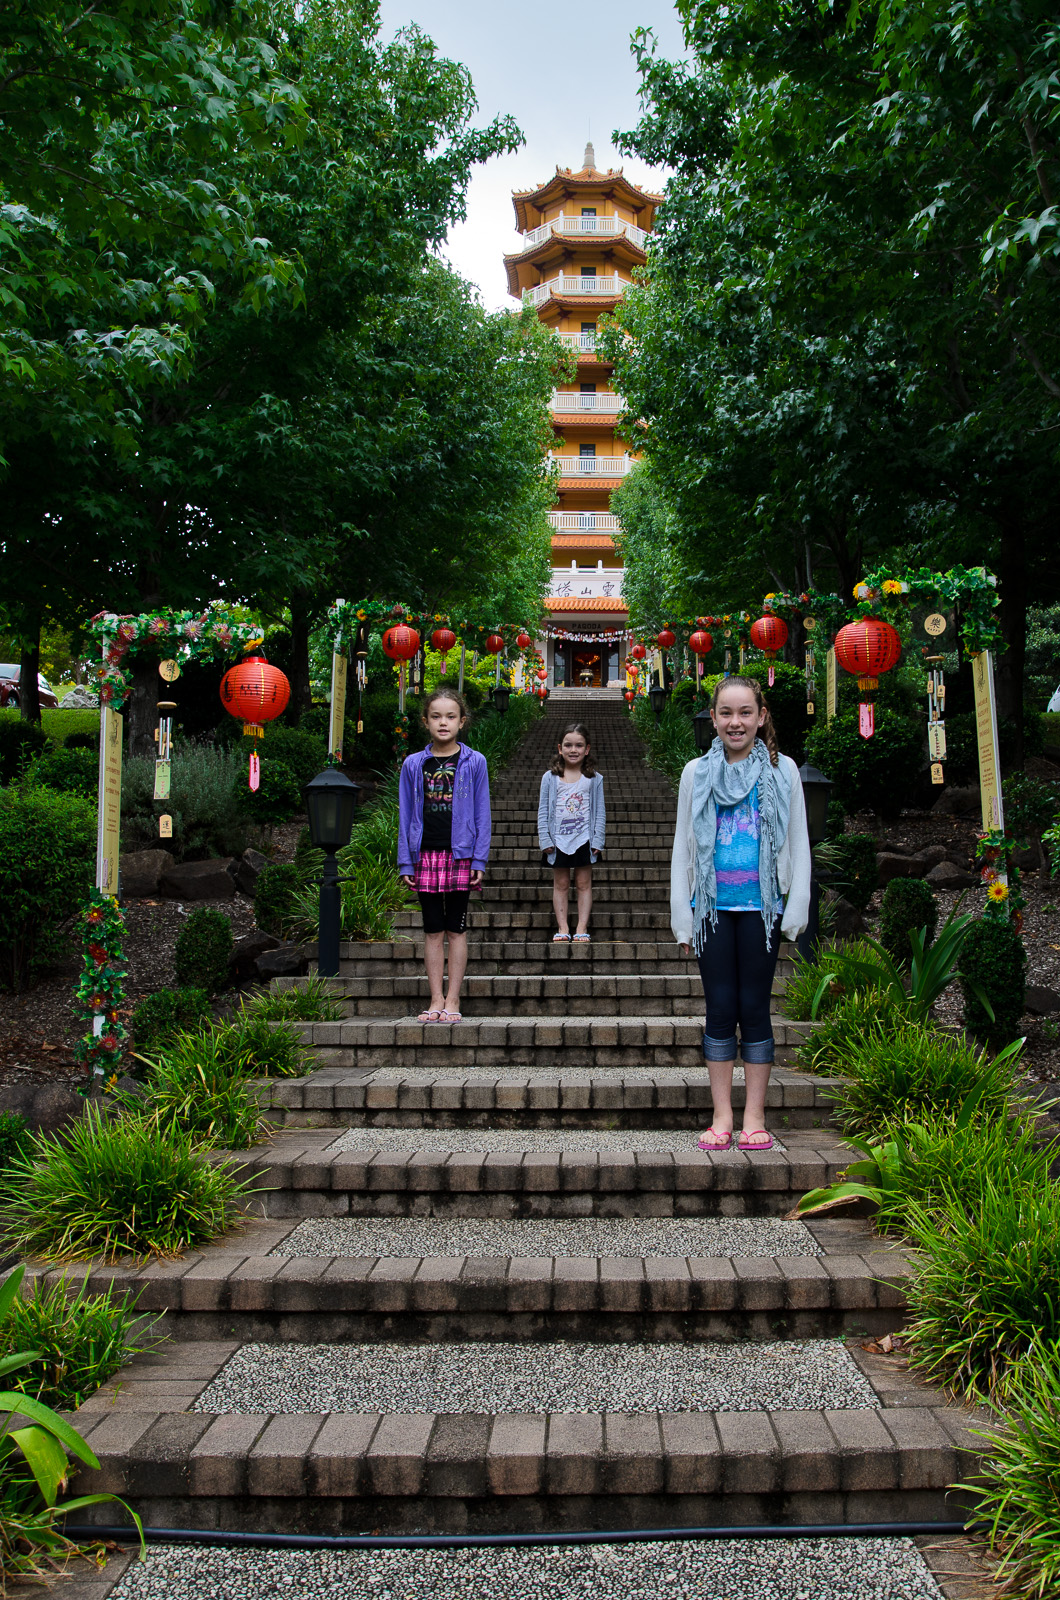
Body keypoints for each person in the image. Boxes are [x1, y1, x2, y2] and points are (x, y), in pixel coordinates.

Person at [670, 676, 810, 1151]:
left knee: (754, 1009)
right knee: (719, 1008)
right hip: (711, 909)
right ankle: (721, 1116)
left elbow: (798, 843)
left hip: (760, 908)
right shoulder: (696, 772)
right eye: (726, 713)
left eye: (745, 712)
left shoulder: (782, 770)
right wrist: (682, 916)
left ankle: (755, 1116)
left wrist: (796, 908)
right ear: (713, 718)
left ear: (761, 716)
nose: (736, 722)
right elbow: (682, 849)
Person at [398, 689, 491, 1023]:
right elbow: (406, 813)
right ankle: (435, 998)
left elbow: (483, 813)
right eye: (436, 716)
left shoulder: (474, 761)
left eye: (451, 716)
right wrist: (405, 860)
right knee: (432, 931)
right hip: (424, 855)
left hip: (460, 856)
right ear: (425, 721)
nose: (443, 722)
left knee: (456, 930)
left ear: (462, 721)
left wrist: (479, 858)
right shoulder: (413, 764)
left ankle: (453, 1000)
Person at [538, 722, 606, 942]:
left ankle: (581, 928)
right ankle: (563, 927)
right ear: (560, 748)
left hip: (584, 838)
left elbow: (600, 811)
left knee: (584, 884)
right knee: (561, 884)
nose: (573, 750)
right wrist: (544, 838)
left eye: (579, 745)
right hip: (558, 839)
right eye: (568, 745)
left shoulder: (594, 779)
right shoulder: (549, 778)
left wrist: (598, 839)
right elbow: (543, 810)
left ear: (587, 749)